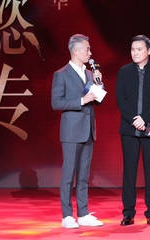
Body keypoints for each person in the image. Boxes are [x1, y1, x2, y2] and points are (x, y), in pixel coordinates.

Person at [51, 33, 104, 229]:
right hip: (71, 131)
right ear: (75, 51)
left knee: (83, 175)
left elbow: (98, 100)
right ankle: (67, 215)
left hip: (88, 129)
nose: (90, 53)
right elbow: (56, 102)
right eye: (87, 49)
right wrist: (81, 100)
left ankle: (83, 213)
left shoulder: (90, 74)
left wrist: (99, 84)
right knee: (68, 174)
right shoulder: (61, 74)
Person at [115, 35, 150, 225]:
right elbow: (121, 99)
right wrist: (134, 120)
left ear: (149, 51)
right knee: (129, 172)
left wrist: (144, 119)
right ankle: (128, 213)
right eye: (132, 49)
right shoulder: (124, 71)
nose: (135, 53)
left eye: (139, 49)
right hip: (129, 129)